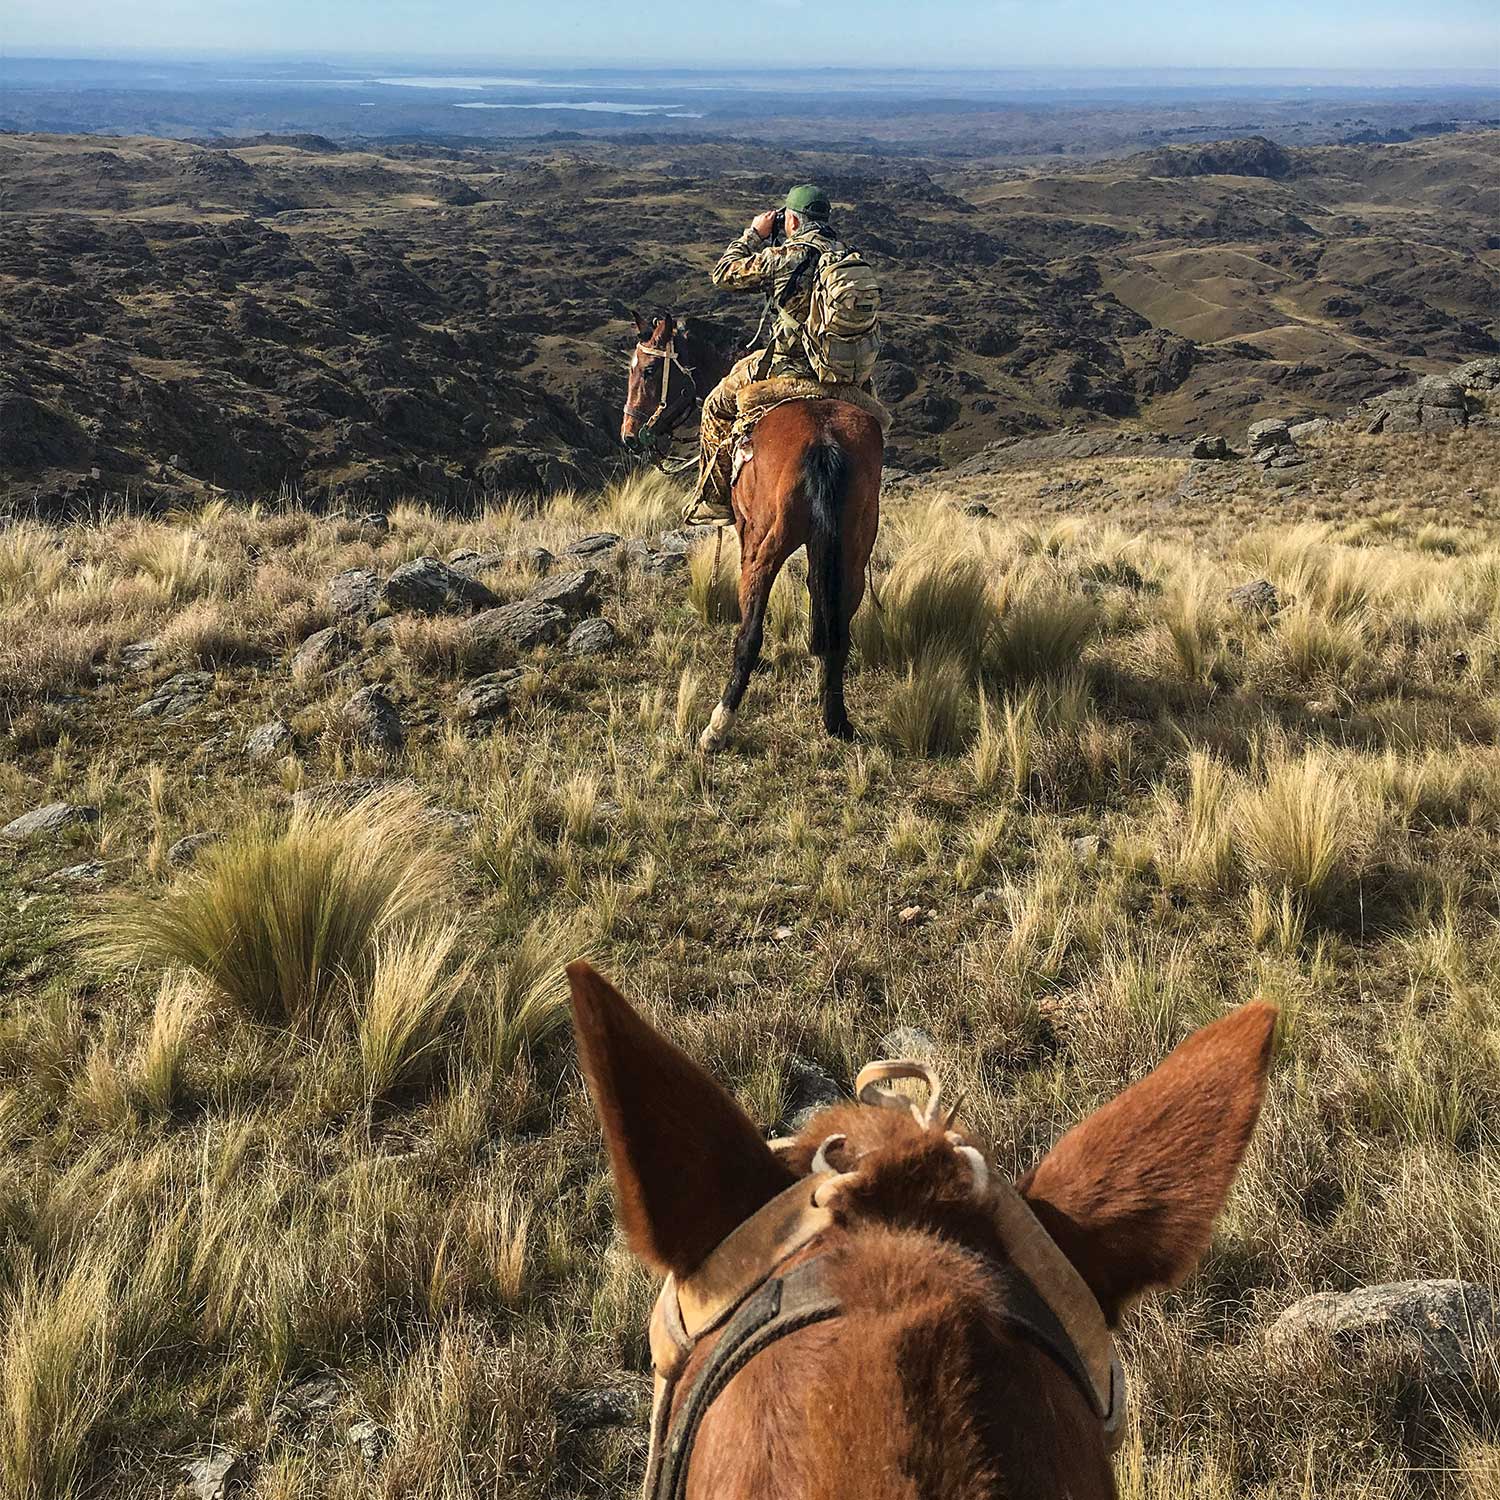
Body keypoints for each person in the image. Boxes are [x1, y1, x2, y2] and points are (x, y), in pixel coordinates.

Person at [683, 183, 866, 525]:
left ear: (793, 222)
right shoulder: (847, 255)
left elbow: (723, 274)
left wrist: (753, 233)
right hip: (846, 370)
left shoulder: (787, 255)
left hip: (791, 365)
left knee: (715, 405)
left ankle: (715, 502)